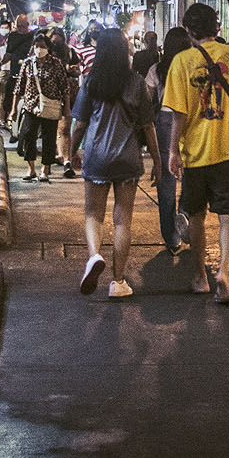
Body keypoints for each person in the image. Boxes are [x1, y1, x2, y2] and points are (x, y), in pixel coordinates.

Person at [163, 3, 229, 303]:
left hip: (196, 153)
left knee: (196, 216)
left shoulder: (181, 62)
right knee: (228, 216)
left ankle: (200, 276)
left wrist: (173, 151)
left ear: (189, 32)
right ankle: (224, 273)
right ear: (217, 28)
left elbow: (179, 114)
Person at [71, 28, 161, 299]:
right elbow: (148, 127)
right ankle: (118, 281)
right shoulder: (136, 83)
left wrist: (70, 152)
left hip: (97, 156)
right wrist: (157, 161)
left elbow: (79, 124)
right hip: (127, 156)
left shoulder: (90, 81)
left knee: (93, 215)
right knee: (123, 221)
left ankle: (94, 256)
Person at [146, 26, 191, 255]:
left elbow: (146, 98)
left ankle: (172, 238)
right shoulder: (193, 66)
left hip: (165, 119)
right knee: (191, 171)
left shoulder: (158, 69)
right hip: (191, 120)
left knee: (166, 179)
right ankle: (185, 212)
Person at [11, 32, 72, 182]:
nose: (39, 49)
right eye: (37, 46)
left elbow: (65, 88)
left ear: (48, 48)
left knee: (49, 138)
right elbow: (19, 87)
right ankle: (31, 169)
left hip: (51, 105)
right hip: (31, 105)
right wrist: (13, 109)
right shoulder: (28, 63)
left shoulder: (55, 63)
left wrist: (67, 109)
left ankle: (45, 169)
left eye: (42, 46)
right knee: (27, 134)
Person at [47, 30, 82, 178]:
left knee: (64, 128)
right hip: (48, 95)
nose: (56, 44)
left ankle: (67, 160)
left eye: (59, 40)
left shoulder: (69, 52)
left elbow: (77, 70)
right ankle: (55, 157)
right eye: (54, 41)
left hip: (66, 95)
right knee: (51, 129)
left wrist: (73, 70)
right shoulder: (43, 54)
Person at [0, 15, 34, 129]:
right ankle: (9, 123)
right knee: (9, 98)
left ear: (27, 25)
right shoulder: (13, 36)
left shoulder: (33, 36)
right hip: (14, 72)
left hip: (28, 74)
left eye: (22, 26)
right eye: (17, 26)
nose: (19, 29)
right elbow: (9, 53)